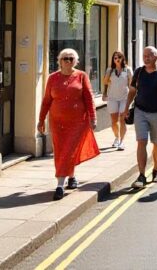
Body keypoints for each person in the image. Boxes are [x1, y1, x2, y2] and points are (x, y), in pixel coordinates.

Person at [38, 48, 100, 199]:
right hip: (57, 122)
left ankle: (60, 185)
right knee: (62, 151)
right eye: (65, 58)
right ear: (59, 61)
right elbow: (46, 101)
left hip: (78, 122)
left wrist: (93, 117)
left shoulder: (81, 76)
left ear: (76, 61)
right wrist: (41, 120)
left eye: (71, 58)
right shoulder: (52, 78)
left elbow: (88, 98)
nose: (68, 61)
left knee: (69, 150)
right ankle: (71, 177)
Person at [124, 46, 157, 188]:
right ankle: (141, 175)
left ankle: (156, 170)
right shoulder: (139, 72)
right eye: (144, 55)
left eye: (149, 55)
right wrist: (126, 107)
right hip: (140, 112)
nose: (146, 58)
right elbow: (132, 91)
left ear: (156, 57)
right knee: (141, 141)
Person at [103, 50, 133, 151]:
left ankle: (121, 142)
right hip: (112, 98)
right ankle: (117, 137)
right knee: (114, 121)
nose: (117, 60)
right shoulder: (110, 70)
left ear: (122, 58)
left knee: (122, 120)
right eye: (115, 58)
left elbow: (131, 84)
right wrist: (104, 94)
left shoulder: (127, 70)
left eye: (119, 57)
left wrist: (132, 98)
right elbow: (105, 83)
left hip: (124, 98)